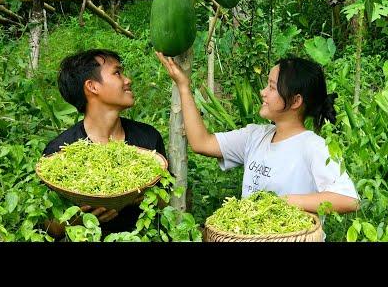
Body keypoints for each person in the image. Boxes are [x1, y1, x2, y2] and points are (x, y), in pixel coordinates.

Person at [156, 52, 359, 222]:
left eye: (271, 87)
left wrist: (282, 201)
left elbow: (348, 199)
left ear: (295, 100)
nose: (263, 92)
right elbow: (201, 143)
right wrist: (183, 86)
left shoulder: (314, 147)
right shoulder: (255, 136)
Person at [42, 49, 166, 239]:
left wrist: (143, 197)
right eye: (117, 73)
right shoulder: (60, 152)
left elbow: (167, 200)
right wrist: (79, 219)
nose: (127, 80)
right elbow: (50, 227)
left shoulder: (148, 139)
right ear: (92, 86)